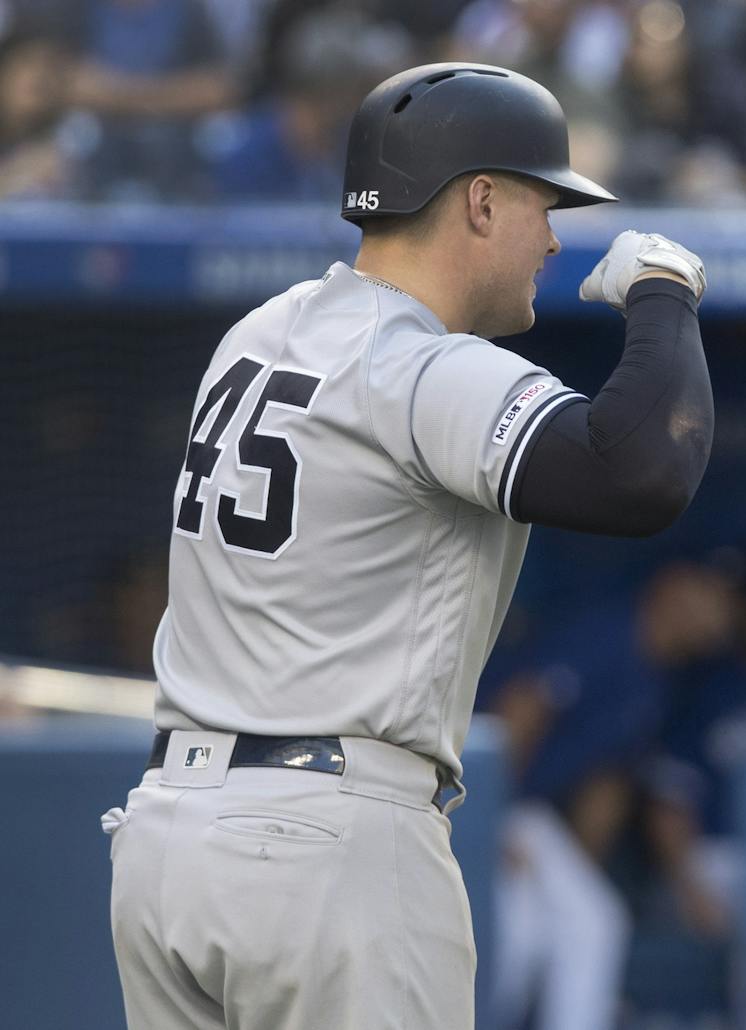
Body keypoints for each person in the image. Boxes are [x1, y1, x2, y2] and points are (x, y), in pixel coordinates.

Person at [101, 62, 713, 1029]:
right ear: (479, 200)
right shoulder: (419, 363)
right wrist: (666, 293)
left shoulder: (261, 331)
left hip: (168, 838)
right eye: (542, 203)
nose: (553, 237)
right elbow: (641, 472)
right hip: (323, 849)